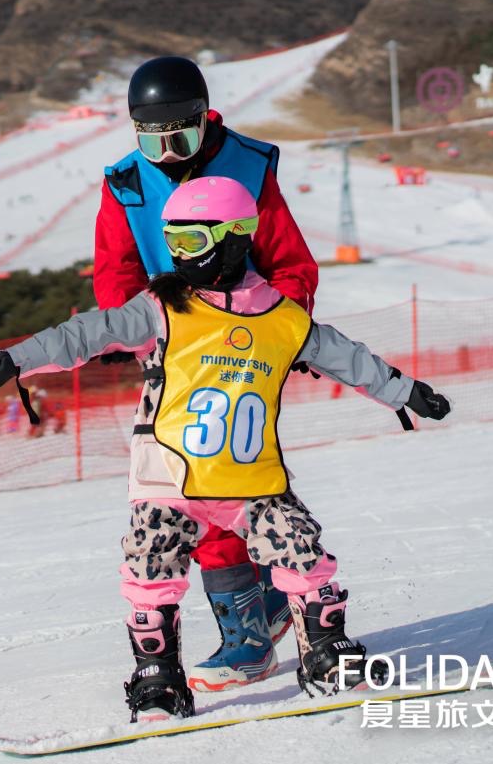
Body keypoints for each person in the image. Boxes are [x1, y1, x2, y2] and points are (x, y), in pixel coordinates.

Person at [0, 177, 451, 718]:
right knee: (151, 564)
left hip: (250, 478)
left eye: (192, 242)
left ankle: (326, 654)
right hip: (168, 474)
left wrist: (406, 392)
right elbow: (87, 333)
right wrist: (17, 358)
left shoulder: (285, 321)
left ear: (237, 237)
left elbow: (347, 358)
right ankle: (158, 679)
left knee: (300, 550)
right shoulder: (161, 309)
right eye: (173, 242)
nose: (179, 256)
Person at [91, 56, 320, 689]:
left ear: (204, 120)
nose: (167, 154)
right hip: (176, 355)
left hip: (243, 350)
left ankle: (252, 631)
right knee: (185, 486)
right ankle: (262, 608)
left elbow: (292, 263)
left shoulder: (246, 166)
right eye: (151, 139)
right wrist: (128, 329)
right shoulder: (126, 184)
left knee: (221, 482)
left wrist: (287, 329)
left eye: (182, 139)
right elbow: (115, 272)